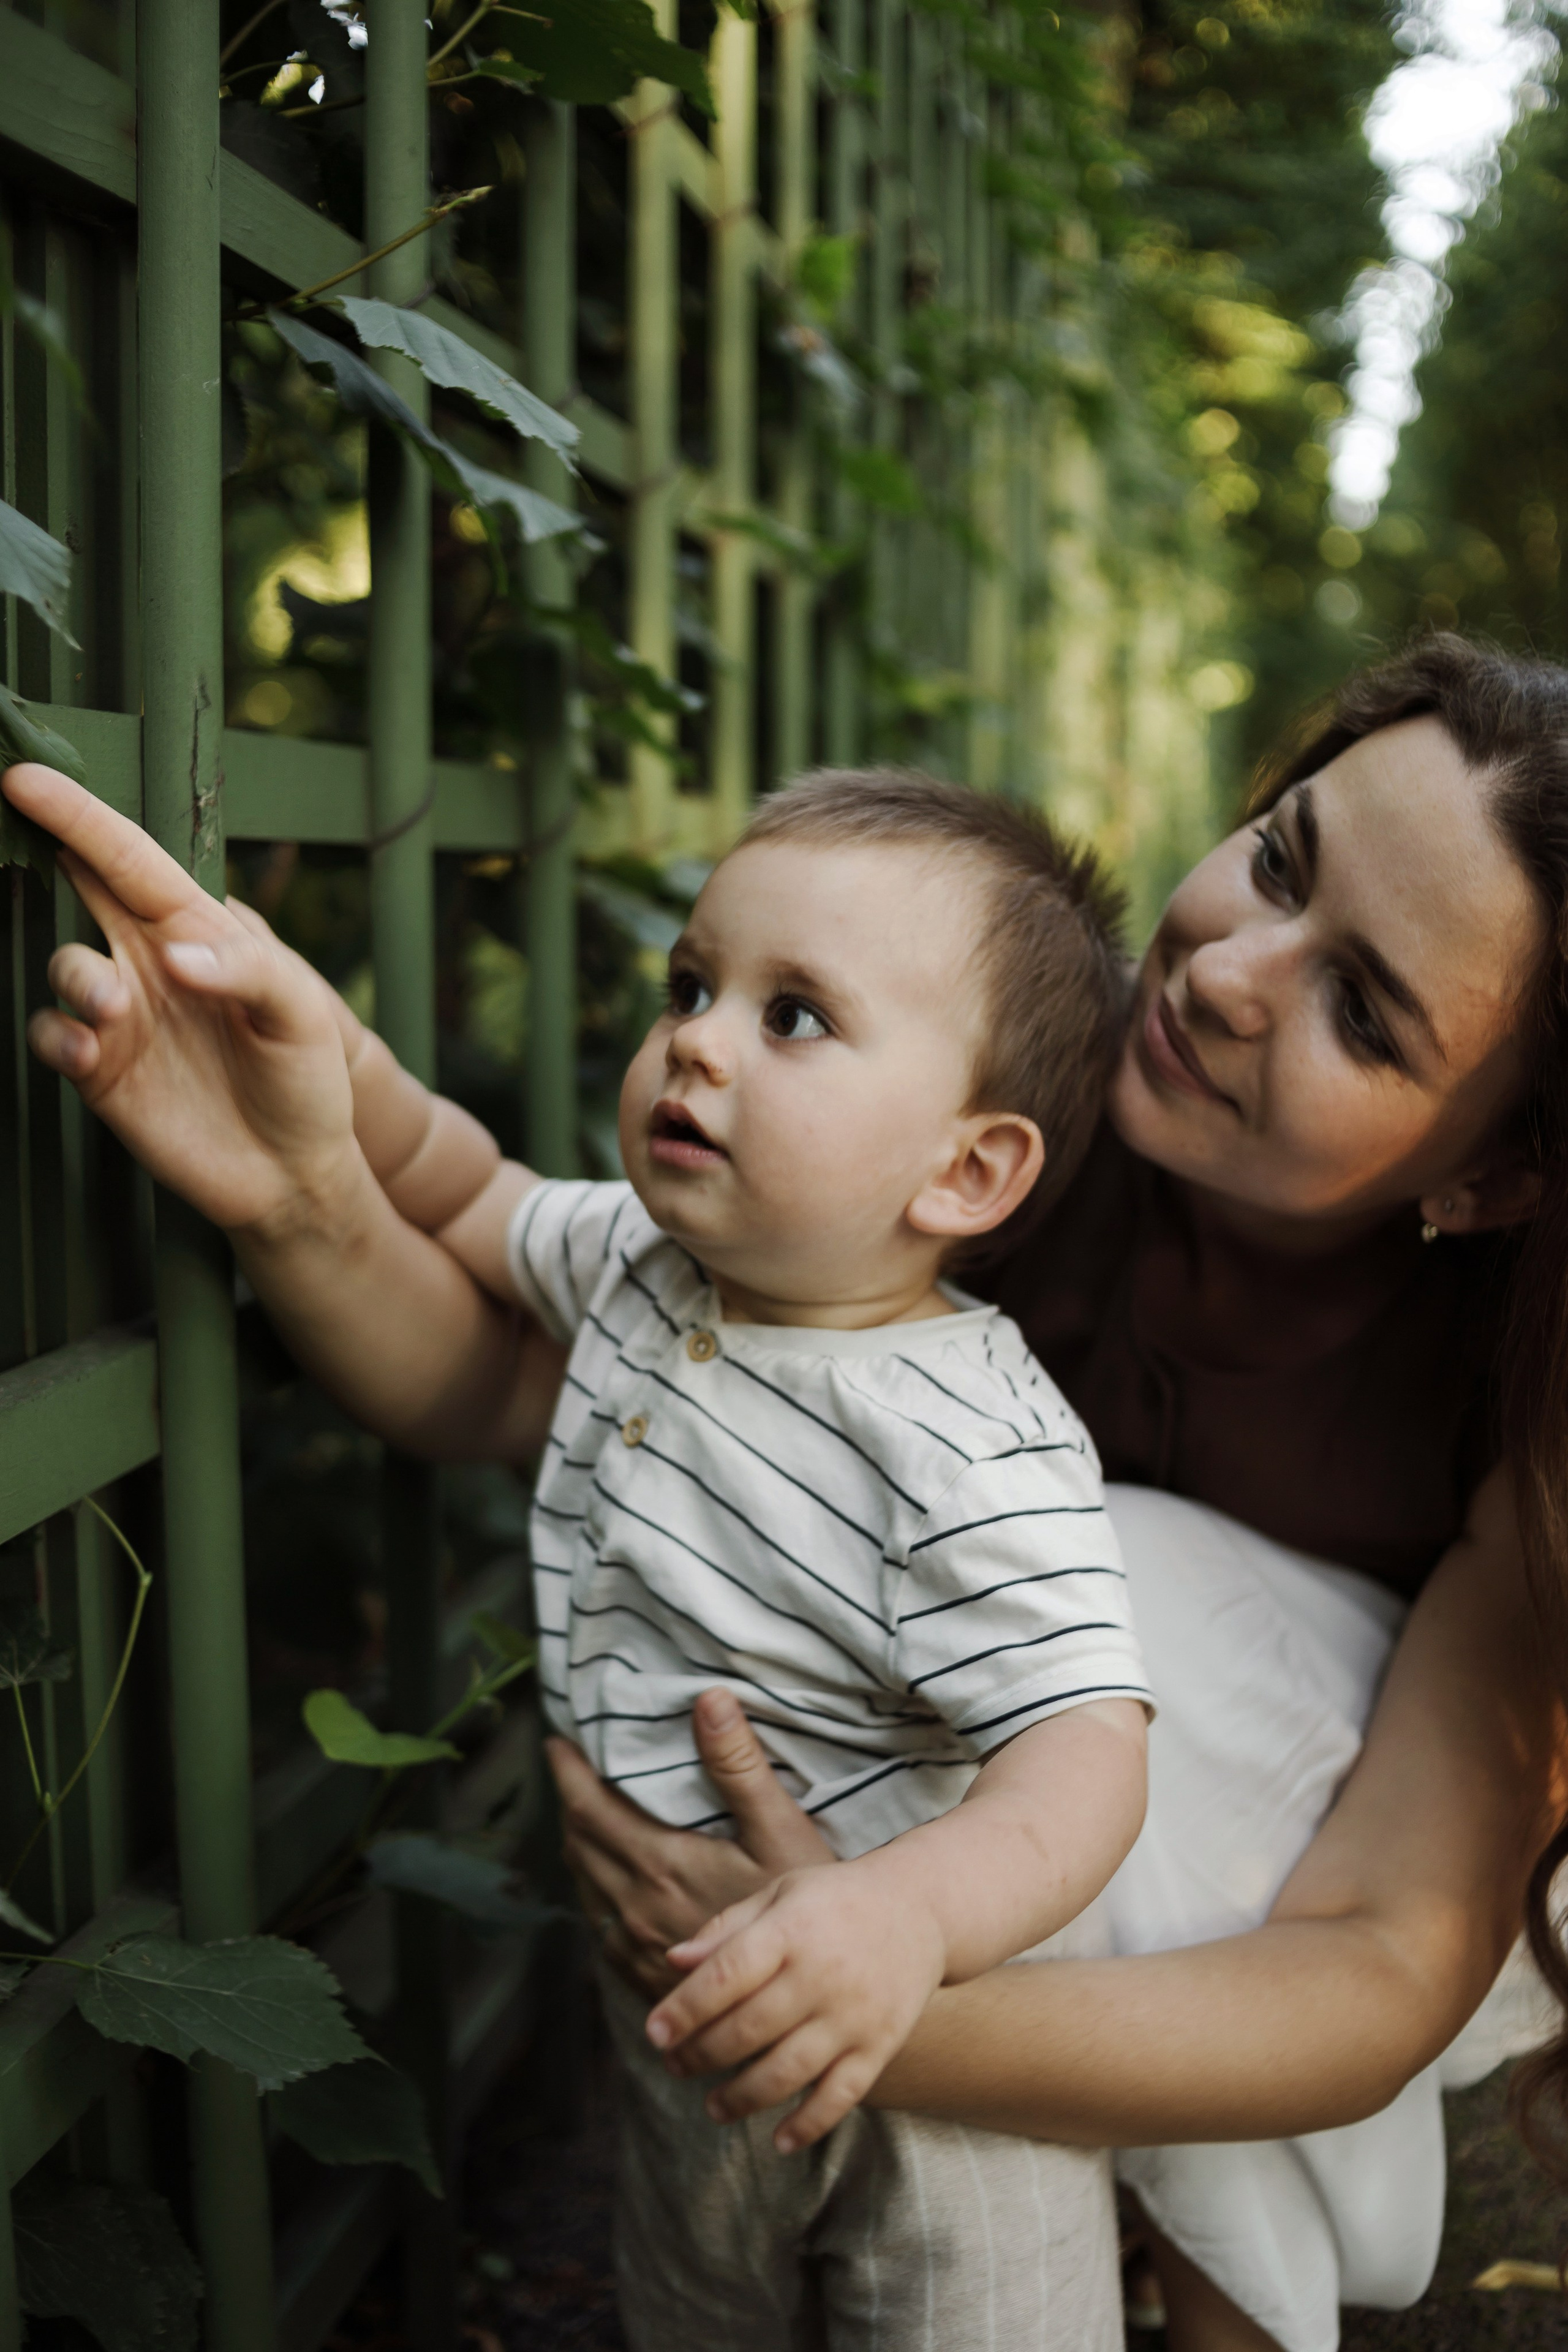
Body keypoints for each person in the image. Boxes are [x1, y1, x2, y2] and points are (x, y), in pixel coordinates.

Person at [1, 760, 1154, 2350]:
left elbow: (1088, 1753)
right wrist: (322, 1059)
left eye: (793, 1015)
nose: (695, 1036)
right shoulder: (643, 1258)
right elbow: (452, 1185)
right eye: (695, 982)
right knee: (700, 2301)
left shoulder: (973, 1438)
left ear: (965, 1170)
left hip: (936, 2042)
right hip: (682, 2003)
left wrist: (907, 1921)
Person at [520, 636, 1568, 2352]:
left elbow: (1385, 1963)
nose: (1230, 968)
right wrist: (308, 1181)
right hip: (1036, 1834)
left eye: (1361, 1010)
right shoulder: (990, 1101)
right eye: (1280, 860)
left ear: (1503, 1166)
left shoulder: (1530, 1391)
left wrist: (827, 1990)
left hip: (1384, 1861)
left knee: (1112, 1607)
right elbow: (569, 1366)